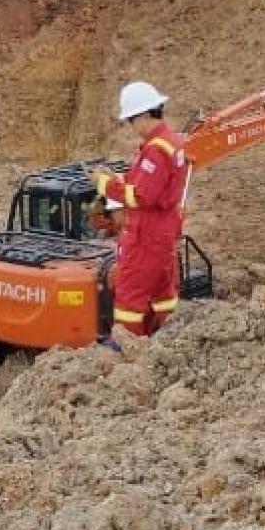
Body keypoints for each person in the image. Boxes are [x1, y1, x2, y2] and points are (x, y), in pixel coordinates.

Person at [93, 81, 190, 341]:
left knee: (130, 296)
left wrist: (105, 185)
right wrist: (117, 179)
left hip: (146, 235)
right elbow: (145, 184)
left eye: (131, 120)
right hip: (163, 232)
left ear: (145, 114)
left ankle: (125, 346)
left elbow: (141, 196)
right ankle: (168, 338)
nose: (131, 126)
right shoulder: (171, 143)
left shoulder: (156, 150)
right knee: (163, 292)